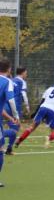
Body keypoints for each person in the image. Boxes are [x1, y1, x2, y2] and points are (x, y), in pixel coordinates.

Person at [15, 79, 54, 148]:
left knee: (32, 127)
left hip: (42, 108)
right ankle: (48, 138)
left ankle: (19, 141)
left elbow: (42, 101)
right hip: (52, 111)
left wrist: (35, 112)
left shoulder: (50, 88)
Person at [0, 59, 20, 187]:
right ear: (9, 70)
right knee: (0, 149)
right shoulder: (7, 82)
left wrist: (8, 117)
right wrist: (15, 115)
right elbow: (11, 100)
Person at [3, 67, 29, 155]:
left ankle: (8, 148)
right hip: (14, 107)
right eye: (26, 73)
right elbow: (24, 94)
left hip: (4, 106)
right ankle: (9, 148)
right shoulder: (22, 81)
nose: (26, 74)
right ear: (23, 73)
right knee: (14, 130)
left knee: (12, 128)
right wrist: (27, 106)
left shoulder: (11, 80)